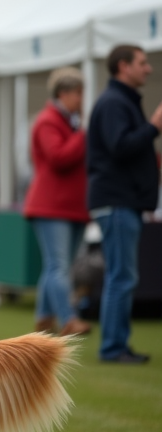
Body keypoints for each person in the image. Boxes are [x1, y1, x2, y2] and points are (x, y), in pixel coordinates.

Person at [86, 44, 162, 364]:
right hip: (117, 202)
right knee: (121, 276)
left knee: (122, 275)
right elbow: (121, 147)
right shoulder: (114, 102)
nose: (149, 69)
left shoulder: (118, 100)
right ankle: (113, 347)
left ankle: (117, 344)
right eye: (142, 63)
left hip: (121, 202)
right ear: (123, 67)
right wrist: (154, 126)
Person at [23, 67, 91, 338]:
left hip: (72, 207)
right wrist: (83, 135)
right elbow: (58, 157)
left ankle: (43, 320)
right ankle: (69, 319)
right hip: (51, 206)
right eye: (78, 93)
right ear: (63, 93)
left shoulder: (70, 122)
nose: (81, 99)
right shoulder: (48, 121)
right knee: (58, 266)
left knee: (55, 266)